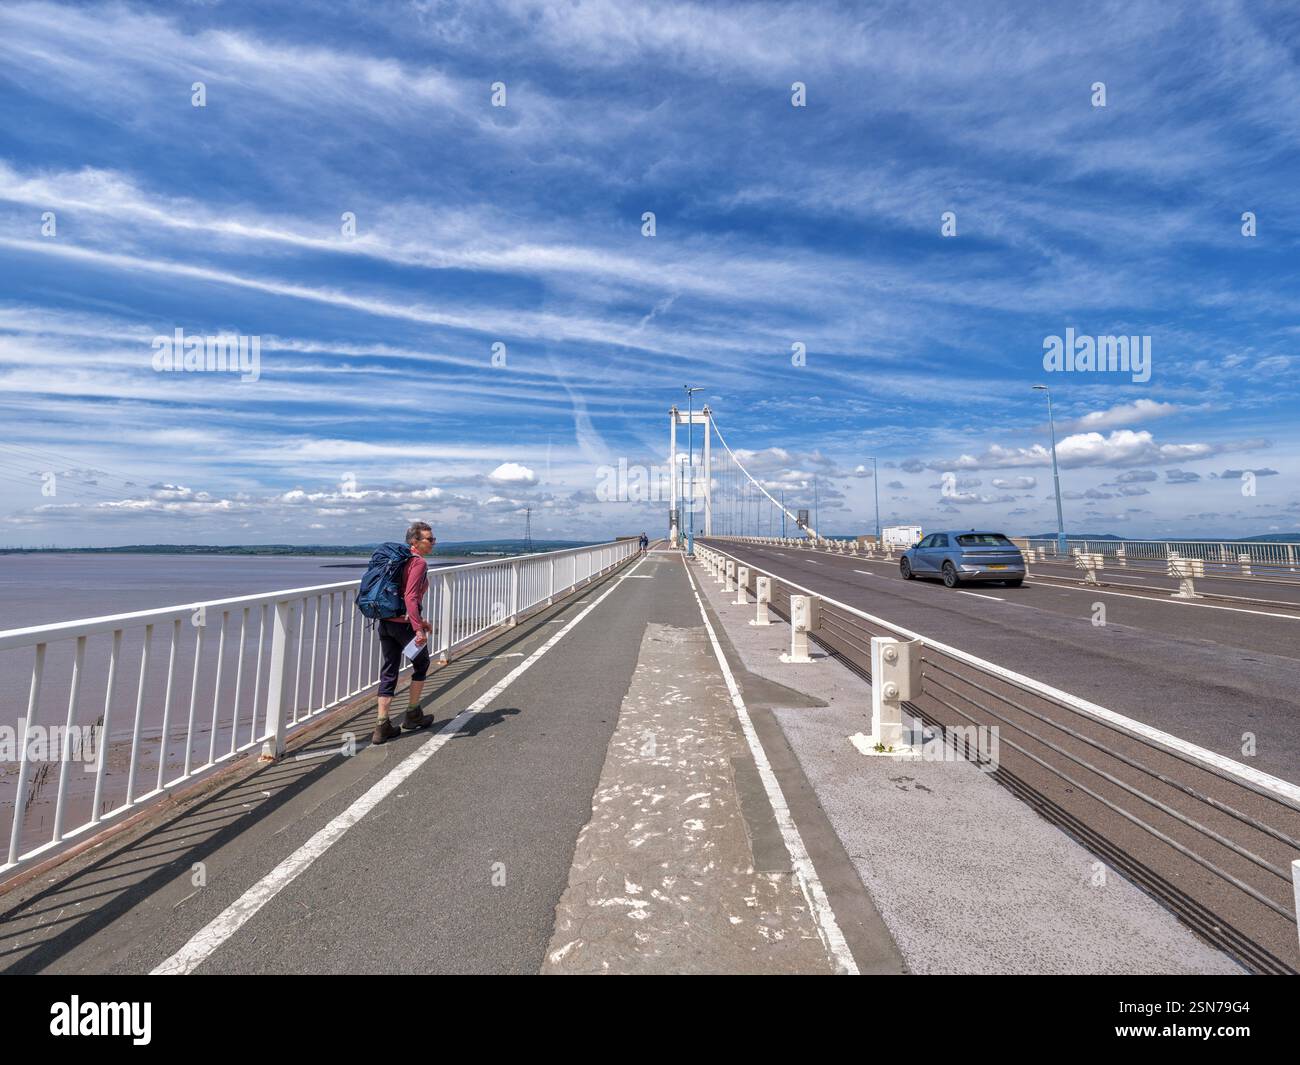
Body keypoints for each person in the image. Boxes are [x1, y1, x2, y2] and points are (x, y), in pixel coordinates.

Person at [374, 521, 436, 744]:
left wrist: (420, 620)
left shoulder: (398, 561)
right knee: (422, 664)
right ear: (415, 542)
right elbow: (410, 597)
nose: (433, 542)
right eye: (429, 539)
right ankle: (412, 714)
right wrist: (418, 629)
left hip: (386, 622)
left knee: (389, 669)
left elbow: (404, 596)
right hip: (403, 624)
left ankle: (382, 725)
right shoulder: (418, 563)